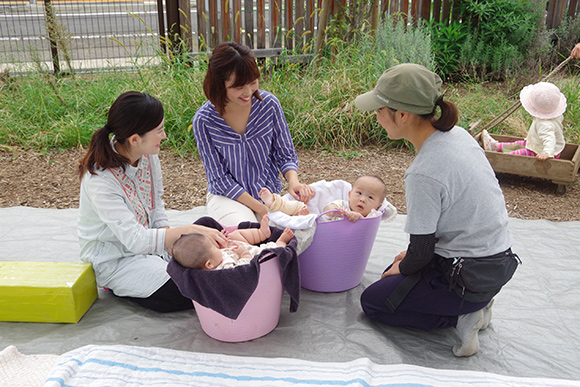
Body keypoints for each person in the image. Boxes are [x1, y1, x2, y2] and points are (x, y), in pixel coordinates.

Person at [355, 64, 520, 357]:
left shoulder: (423, 173)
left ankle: (463, 316)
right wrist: (407, 264)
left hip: (466, 276)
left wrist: (404, 266)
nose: (376, 115)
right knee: (394, 273)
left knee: (374, 301)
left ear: (403, 115)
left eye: (380, 109)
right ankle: (476, 303)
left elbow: (419, 253)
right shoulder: (457, 135)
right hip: (496, 265)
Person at [77, 91, 228, 313]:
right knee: (185, 289)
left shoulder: (147, 155)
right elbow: (135, 241)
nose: (164, 136)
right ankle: (125, 284)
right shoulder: (100, 181)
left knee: (209, 227)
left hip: (151, 247)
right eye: (159, 131)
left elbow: (156, 206)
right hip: (118, 260)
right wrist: (187, 231)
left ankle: (178, 267)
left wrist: (173, 247)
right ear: (135, 139)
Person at [192, 41, 314, 227]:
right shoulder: (204, 120)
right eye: (238, 86)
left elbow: (284, 153)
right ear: (220, 83)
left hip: (268, 194)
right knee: (249, 233)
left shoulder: (269, 105)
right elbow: (219, 179)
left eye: (253, 82)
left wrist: (294, 182)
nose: (248, 92)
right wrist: (261, 209)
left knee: (297, 230)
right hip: (229, 198)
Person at [481, 82, 566, 161]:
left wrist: (546, 153)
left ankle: (496, 157)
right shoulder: (556, 116)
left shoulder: (544, 125)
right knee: (519, 143)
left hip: (541, 151)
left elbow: (549, 139)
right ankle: (496, 146)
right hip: (538, 145)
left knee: (519, 154)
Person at [259, 175, 387, 222]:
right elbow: (328, 208)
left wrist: (358, 216)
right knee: (298, 206)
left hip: (322, 234)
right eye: (359, 193)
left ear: (378, 206)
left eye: (370, 197)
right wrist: (335, 211)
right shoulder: (343, 204)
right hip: (318, 222)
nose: (362, 199)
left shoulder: (372, 216)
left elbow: (364, 224)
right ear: (349, 195)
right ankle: (275, 203)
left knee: (307, 219)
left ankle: (303, 217)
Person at [172, 224, 295, 270]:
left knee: (235, 235)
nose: (217, 248)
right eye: (214, 248)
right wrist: (244, 254)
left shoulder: (214, 259)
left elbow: (215, 252)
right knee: (273, 250)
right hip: (255, 256)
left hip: (237, 248)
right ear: (209, 264)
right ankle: (281, 241)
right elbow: (243, 269)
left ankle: (261, 233)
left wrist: (222, 244)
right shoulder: (223, 268)